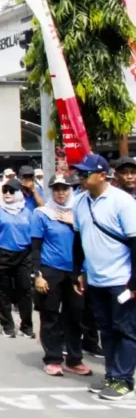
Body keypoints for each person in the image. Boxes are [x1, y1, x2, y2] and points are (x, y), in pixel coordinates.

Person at [71, 153, 136, 401]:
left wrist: (134, 282)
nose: (82, 177)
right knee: (106, 330)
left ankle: (124, 380)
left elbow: (134, 240)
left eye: (86, 173)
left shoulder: (122, 201)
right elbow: (78, 239)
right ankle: (112, 375)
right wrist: (79, 271)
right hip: (96, 278)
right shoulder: (80, 201)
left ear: (102, 175)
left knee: (126, 330)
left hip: (122, 279)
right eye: (80, 173)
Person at [31, 174, 91, 377]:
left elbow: (89, 239)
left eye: (64, 189)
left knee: (76, 315)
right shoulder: (42, 214)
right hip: (50, 270)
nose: (60, 193)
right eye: (56, 189)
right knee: (50, 316)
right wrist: (37, 274)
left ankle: (74, 359)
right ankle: (53, 358)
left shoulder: (80, 212)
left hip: (76, 271)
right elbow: (35, 247)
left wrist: (74, 222)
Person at [0, 177, 37, 338]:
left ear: (19, 193)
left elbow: (34, 235)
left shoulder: (26, 211)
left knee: (25, 290)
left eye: (11, 190)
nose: (7, 193)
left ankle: (26, 326)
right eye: (5, 190)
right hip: (2, 254)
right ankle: (7, 326)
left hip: (23, 255)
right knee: (2, 291)